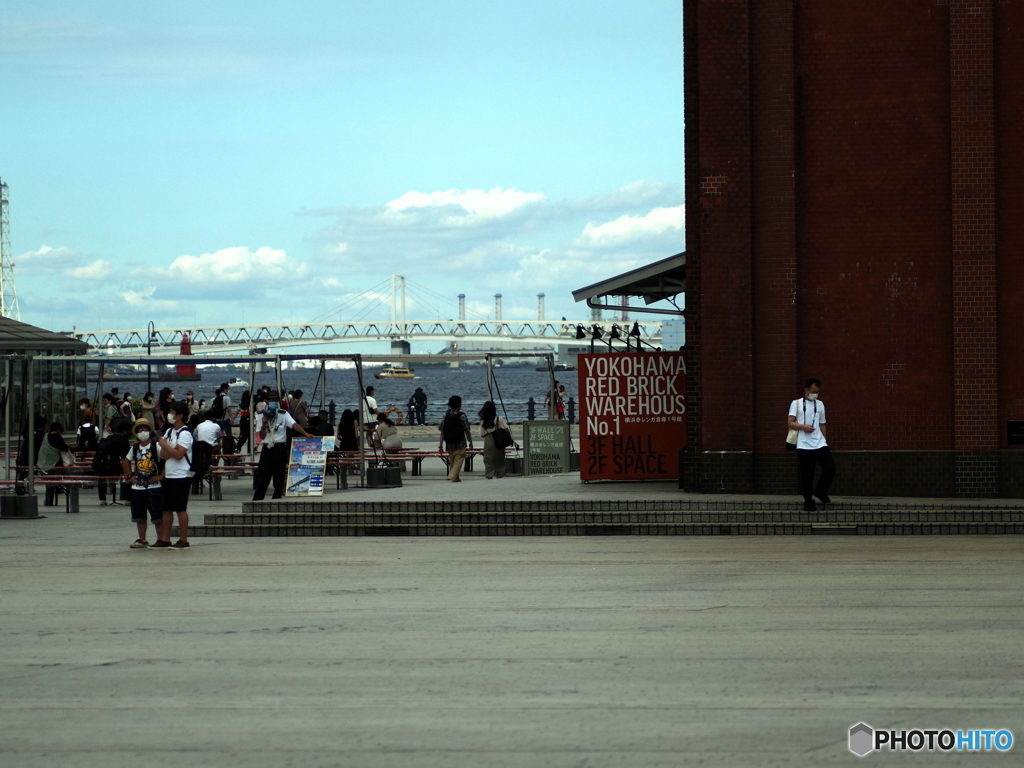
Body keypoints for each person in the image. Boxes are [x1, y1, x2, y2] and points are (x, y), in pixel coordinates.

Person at [252, 390, 315, 501]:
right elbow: (261, 436)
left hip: (279, 447)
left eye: (276, 400)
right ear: (267, 401)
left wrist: (305, 434)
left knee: (279, 475)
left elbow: (294, 424)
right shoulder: (261, 414)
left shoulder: (283, 414)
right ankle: (258, 498)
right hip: (267, 447)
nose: (273, 402)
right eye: (271, 400)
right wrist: (264, 424)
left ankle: (277, 498)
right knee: (263, 474)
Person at [788, 378, 836, 512]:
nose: (815, 394)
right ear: (806, 390)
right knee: (807, 474)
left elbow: (822, 424)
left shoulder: (820, 404)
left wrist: (825, 441)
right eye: (813, 391)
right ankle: (808, 501)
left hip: (819, 443)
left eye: (817, 392)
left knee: (830, 467)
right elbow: (790, 423)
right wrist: (803, 427)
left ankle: (820, 490)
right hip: (803, 445)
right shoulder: (796, 404)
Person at [154, 401, 193, 549]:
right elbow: (164, 454)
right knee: (166, 508)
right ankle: (165, 538)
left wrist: (167, 447)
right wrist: (170, 449)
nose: (170, 414)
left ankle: (183, 539)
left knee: (180, 508)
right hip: (169, 474)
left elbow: (179, 454)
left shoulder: (185, 433)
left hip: (182, 475)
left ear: (180, 415)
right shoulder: (169, 432)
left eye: (172, 412)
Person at [121, 418, 163, 549]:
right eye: (139, 430)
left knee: (157, 516)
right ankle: (142, 539)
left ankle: (160, 539)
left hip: (154, 487)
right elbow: (125, 461)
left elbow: (167, 459)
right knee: (139, 516)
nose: (142, 432)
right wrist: (130, 476)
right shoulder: (134, 448)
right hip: (137, 487)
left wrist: (161, 476)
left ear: (150, 431)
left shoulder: (156, 446)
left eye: (145, 429)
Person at [95, 417, 131, 507]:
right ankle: (127, 499)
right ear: (125, 431)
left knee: (102, 476)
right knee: (128, 474)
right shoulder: (123, 440)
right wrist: (128, 472)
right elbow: (124, 459)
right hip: (114, 469)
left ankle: (102, 499)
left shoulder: (108, 438)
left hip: (101, 468)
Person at [438, 395, 473, 482]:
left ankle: (456, 478)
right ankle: (452, 476)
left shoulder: (446, 415)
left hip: (449, 442)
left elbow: (442, 432)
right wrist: (470, 442)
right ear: (459, 405)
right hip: (460, 442)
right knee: (459, 460)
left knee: (452, 460)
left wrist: (440, 445)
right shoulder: (462, 416)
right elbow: (467, 430)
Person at [38, 421, 73, 506]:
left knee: (49, 483)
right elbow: (64, 448)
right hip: (55, 464)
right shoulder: (57, 437)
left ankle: (48, 500)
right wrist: (68, 446)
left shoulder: (45, 436)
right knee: (65, 475)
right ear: (58, 430)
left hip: (43, 463)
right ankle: (63, 491)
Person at [192, 412, 223, 494]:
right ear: (213, 418)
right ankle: (215, 467)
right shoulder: (216, 426)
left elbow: (195, 436)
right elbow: (219, 436)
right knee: (218, 447)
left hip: (200, 448)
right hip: (211, 448)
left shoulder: (199, 426)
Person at [478, 401, 509, 479]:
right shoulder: (499, 419)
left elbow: (482, 434)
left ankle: (489, 474)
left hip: (489, 440)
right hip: (499, 440)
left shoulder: (484, 421)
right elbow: (506, 429)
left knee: (488, 458)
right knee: (500, 458)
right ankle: (500, 473)